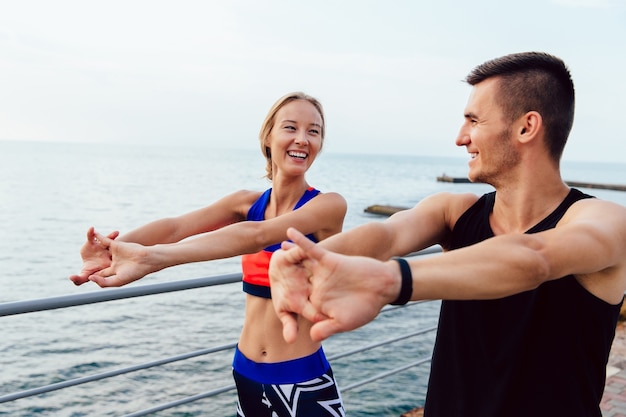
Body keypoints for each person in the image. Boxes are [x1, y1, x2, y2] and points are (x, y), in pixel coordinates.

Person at [268, 52, 626, 417]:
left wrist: (389, 281)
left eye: (473, 120)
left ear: (526, 127)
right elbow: (386, 235)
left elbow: (534, 257)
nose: (460, 138)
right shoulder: (456, 213)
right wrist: (303, 260)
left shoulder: (604, 220)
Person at [70, 92, 348, 417]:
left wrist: (154, 258)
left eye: (313, 131)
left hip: (302, 381)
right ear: (268, 137)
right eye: (291, 127)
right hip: (246, 375)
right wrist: (112, 249)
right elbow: (176, 227)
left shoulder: (328, 205)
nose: (302, 139)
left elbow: (255, 235)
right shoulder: (247, 202)